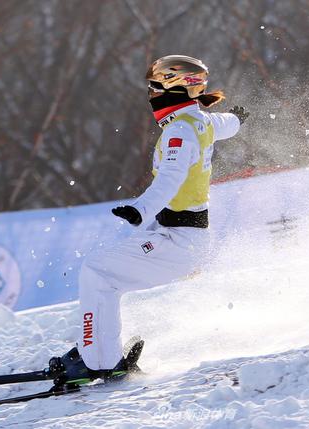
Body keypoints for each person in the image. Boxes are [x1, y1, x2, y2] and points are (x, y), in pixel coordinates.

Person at [51, 55, 249, 384]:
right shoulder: (199, 121)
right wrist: (238, 121)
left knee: (96, 271)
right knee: (104, 277)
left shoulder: (180, 133)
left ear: (176, 89)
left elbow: (169, 179)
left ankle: (96, 361)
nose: (151, 95)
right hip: (180, 236)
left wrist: (140, 209)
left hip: (179, 241)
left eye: (156, 87)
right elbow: (224, 124)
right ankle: (99, 351)